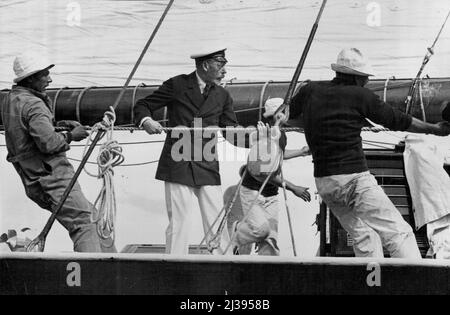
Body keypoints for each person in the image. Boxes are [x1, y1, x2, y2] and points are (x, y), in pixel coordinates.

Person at [290, 48, 450, 259]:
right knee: (398, 234)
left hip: (325, 183)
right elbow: (398, 120)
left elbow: (290, 116)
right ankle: (419, 283)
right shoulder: (361, 95)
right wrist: (435, 129)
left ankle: (372, 285)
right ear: (356, 78)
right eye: (365, 78)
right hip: (353, 179)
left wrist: (320, 125)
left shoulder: (309, 90)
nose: (367, 82)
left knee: (364, 236)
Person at [1, 52, 116, 253]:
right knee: (84, 224)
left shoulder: (13, 99)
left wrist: (58, 125)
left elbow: (27, 129)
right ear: (31, 78)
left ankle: (114, 269)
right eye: (45, 74)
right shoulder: (34, 104)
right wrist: (72, 135)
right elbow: (49, 144)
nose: (50, 79)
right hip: (51, 177)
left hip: (33, 177)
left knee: (92, 217)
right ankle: (93, 277)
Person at [134, 47, 244, 255]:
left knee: (216, 220)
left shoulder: (222, 95)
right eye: (220, 65)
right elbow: (143, 105)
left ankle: (223, 266)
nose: (224, 71)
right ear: (205, 65)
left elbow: (231, 132)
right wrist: (146, 120)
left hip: (206, 161)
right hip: (179, 161)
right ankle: (175, 268)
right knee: (179, 221)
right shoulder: (177, 85)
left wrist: (259, 137)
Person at [231, 98, 311, 256]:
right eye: (285, 111)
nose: (288, 114)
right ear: (278, 114)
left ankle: (266, 273)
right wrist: (294, 188)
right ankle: (238, 232)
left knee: (271, 241)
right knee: (261, 231)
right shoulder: (263, 133)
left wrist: (301, 152)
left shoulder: (280, 134)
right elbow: (264, 174)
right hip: (253, 190)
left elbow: (278, 156)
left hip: (271, 192)